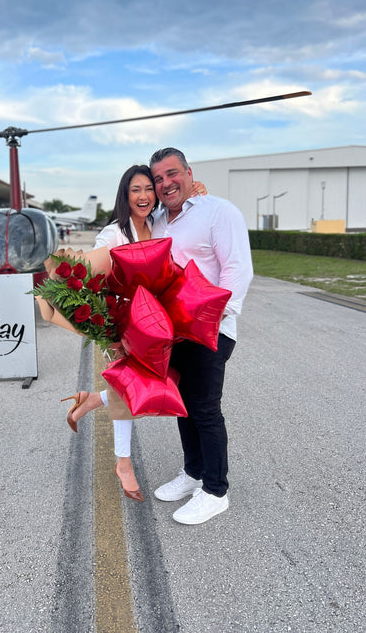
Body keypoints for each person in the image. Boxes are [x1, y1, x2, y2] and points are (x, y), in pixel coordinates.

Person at [62, 165, 207, 502]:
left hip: (152, 324)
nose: (143, 197)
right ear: (124, 195)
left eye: (148, 190)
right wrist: (106, 327)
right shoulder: (114, 233)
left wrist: (197, 192)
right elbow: (87, 278)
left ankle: (88, 401)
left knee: (140, 384)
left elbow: (181, 214)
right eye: (135, 190)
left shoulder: (155, 226)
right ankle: (123, 463)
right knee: (130, 390)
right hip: (123, 325)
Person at [149, 147, 253, 525]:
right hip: (171, 334)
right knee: (183, 405)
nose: (165, 183)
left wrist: (211, 316)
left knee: (206, 408)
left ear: (189, 173)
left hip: (209, 329)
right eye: (158, 178)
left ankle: (215, 490)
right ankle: (193, 472)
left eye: (172, 174)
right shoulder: (158, 221)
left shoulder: (218, 211)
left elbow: (237, 269)